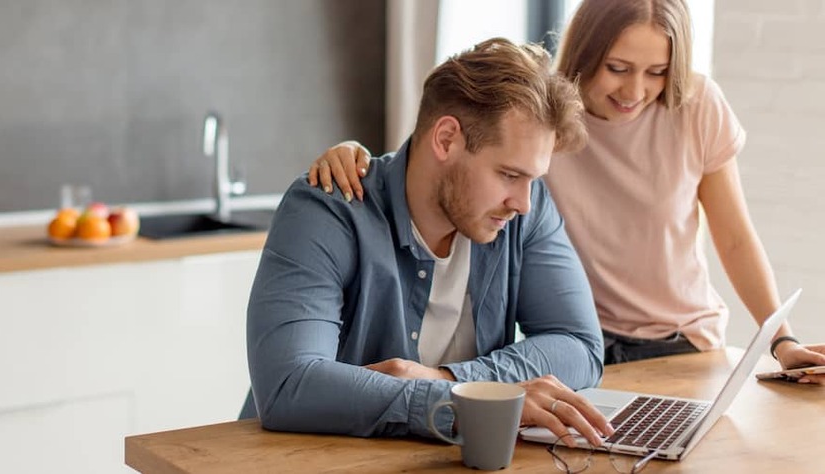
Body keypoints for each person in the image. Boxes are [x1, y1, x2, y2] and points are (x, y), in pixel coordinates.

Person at [307, 0, 825, 382]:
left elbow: (735, 239)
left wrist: (779, 339)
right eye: (618, 68)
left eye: (658, 72)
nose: (635, 92)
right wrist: (360, 155)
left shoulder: (696, 108)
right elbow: (449, 156)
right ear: (585, 52)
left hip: (682, 345)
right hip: (578, 343)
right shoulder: (541, 117)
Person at [243, 37, 615, 447]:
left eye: (533, 179)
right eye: (509, 175)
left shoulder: (525, 209)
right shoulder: (328, 210)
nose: (523, 203)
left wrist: (457, 384)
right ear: (446, 139)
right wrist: (473, 401)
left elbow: (579, 346)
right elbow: (290, 386)